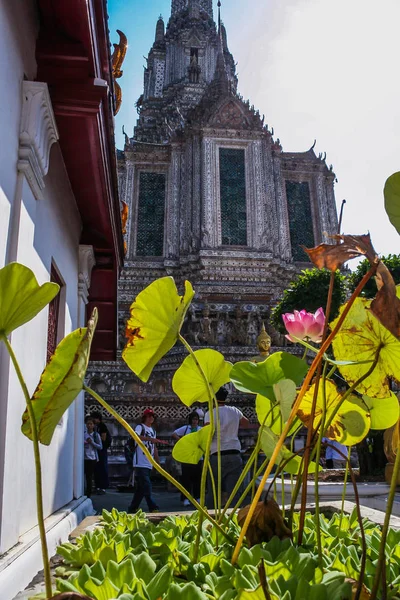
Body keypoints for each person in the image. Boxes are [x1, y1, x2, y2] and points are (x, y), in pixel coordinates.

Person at [204, 386, 249, 508]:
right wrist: (232, 427)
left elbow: (207, 433)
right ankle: (234, 518)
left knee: (213, 490)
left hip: (217, 454)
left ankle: (211, 518)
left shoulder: (210, 413)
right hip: (234, 453)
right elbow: (246, 422)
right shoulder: (234, 411)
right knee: (234, 491)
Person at [127, 409, 168, 513]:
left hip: (148, 462)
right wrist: (150, 440)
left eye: (152, 416)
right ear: (145, 417)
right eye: (149, 416)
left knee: (141, 489)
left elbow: (154, 448)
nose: (151, 418)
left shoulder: (153, 431)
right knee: (147, 485)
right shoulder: (140, 427)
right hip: (140, 462)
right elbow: (135, 437)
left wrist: (158, 464)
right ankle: (153, 507)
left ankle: (132, 508)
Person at [172, 411, 202, 506]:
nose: (194, 421)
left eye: (196, 419)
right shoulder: (185, 429)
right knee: (186, 480)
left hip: (198, 457)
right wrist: (182, 441)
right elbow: (174, 433)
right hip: (187, 458)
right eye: (193, 419)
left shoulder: (200, 429)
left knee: (198, 479)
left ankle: (197, 497)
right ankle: (185, 498)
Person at [91, 411, 111, 494]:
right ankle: (97, 486)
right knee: (96, 468)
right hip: (96, 448)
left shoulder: (102, 426)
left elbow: (103, 439)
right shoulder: (94, 426)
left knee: (102, 467)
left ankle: (103, 486)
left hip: (102, 449)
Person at [84, 415, 102, 498]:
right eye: (88, 424)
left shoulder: (96, 435)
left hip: (92, 458)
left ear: (93, 425)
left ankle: (88, 493)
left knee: (89, 476)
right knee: (84, 476)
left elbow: (100, 447)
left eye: (91, 424)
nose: (89, 425)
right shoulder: (84, 434)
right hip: (84, 457)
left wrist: (92, 442)